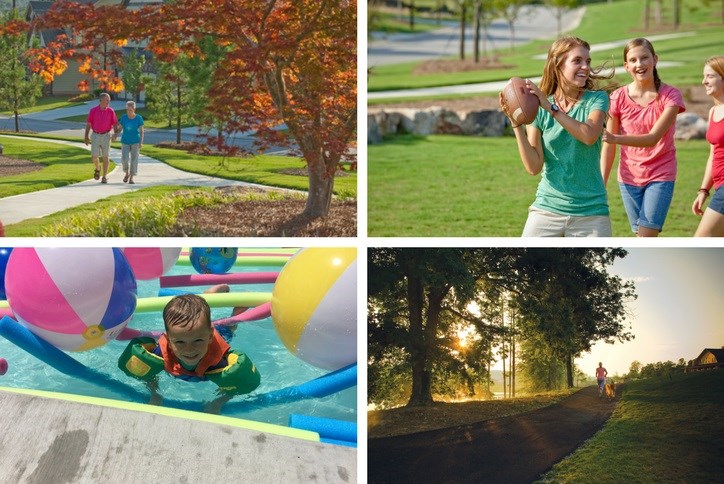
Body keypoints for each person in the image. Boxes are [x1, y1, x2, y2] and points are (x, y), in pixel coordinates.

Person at [499, 36, 614, 237]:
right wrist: (516, 124)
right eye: (577, 61)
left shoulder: (597, 99)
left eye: (588, 61)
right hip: (547, 208)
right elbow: (533, 166)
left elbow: (588, 135)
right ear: (557, 65)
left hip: (591, 213)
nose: (585, 67)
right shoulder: (540, 108)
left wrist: (551, 108)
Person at [118, 291, 260, 413]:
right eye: (179, 342)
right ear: (168, 340)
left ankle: (235, 313)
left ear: (210, 336)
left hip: (218, 334)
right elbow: (149, 375)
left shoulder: (218, 363)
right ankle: (211, 293)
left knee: (229, 327)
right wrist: (155, 394)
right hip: (200, 331)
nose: (189, 349)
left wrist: (217, 403)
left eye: (197, 341)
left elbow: (234, 385)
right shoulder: (160, 352)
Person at [601, 38, 686, 237]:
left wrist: (614, 138)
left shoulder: (671, 96)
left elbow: (653, 138)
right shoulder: (618, 97)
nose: (639, 64)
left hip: (660, 174)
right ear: (626, 66)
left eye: (644, 58)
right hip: (628, 177)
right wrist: (601, 183)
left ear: (655, 60)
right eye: (633, 60)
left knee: (646, 235)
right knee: (640, 233)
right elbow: (608, 145)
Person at [692, 55, 724, 236]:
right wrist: (704, 190)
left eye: (710, 76)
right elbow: (713, 155)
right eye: (704, 76)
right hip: (718, 186)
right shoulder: (713, 111)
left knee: (702, 240)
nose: (704, 81)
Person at [84, 93, 117, 184]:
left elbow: (114, 123)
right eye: (107, 100)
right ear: (101, 100)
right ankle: (98, 168)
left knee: (105, 156)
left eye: (109, 100)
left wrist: (115, 134)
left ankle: (105, 176)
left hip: (106, 135)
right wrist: (86, 136)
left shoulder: (111, 111)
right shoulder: (93, 111)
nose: (108, 102)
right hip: (95, 135)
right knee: (94, 157)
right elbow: (88, 124)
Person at [112, 100, 144, 185]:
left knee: (134, 160)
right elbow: (120, 128)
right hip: (125, 141)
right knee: (124, 159)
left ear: (134, 109)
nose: (128, 112)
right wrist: (115, 134)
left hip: (135, 142)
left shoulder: (138, 118)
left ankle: (132, 178)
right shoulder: (124, 117)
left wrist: (141, 142)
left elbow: (141, 131)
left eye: (130, 110)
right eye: (127, 110)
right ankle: (127, 173)